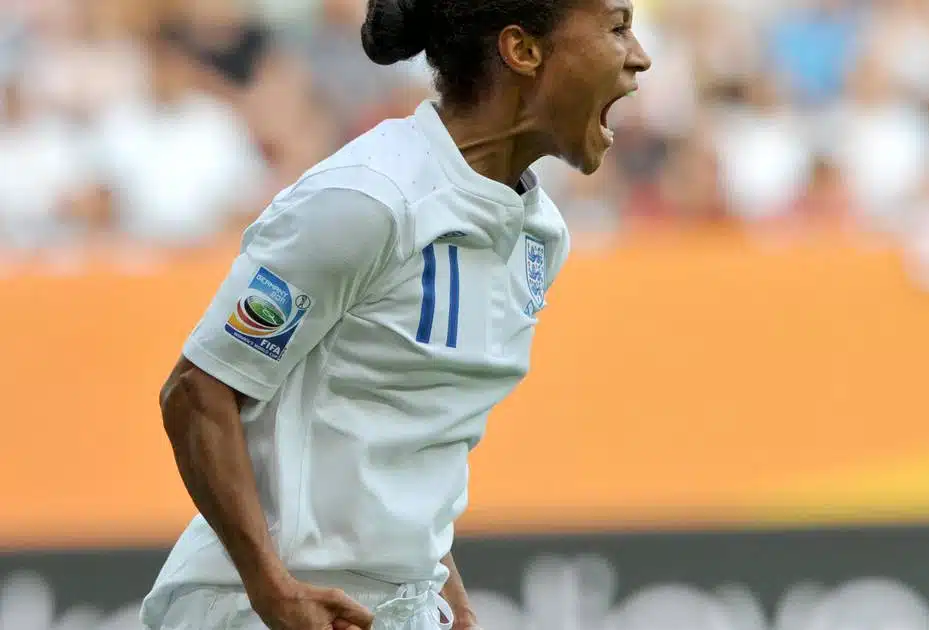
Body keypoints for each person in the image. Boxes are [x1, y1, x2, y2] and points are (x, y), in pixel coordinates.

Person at [140, 0, 651, 628]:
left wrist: (447, 593)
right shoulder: (366, 200)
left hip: (397, 606)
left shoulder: (539, 236)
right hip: (257, 608)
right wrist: (273, 587)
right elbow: (197, 391)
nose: (639, 57)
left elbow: (414, 433)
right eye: (618, 27)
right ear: (522, 50)